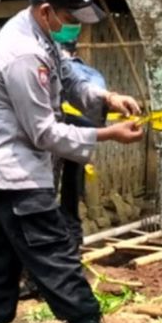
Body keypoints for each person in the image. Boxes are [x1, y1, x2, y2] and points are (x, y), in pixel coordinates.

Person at [0, 0, 147, 323]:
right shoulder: (22, 55)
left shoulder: (37, 33)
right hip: (14, 171)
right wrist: (107, 134)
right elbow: (43, 131)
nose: (73, 28)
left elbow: (66, 76)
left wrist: (105, 97)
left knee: (0, 262)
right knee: (56, 255)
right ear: (46, 11)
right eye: (69, 19)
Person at [58, 41, 107, 243]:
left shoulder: (58, 69)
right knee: (71, 185)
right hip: (84, 134)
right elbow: (99, 113)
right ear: (75, 52)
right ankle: (73, 236)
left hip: (61, 130)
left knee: (49, 186)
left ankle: (63, 236)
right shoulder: (93, 74)